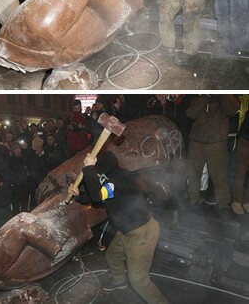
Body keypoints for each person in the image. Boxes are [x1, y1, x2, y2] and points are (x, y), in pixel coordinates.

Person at [68, 151, 168, 303]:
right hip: (126, 230)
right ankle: (119, 282)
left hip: (142, 233)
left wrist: (88, 168)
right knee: (113, 256)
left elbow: (98, 195)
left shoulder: (121, 177)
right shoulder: (109, 178)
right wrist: (78, 195)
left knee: (139, 280)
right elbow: (97, 197)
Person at [185, 95, 239, 211]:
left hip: (217, 143)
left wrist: (222, 93)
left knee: (219, 176)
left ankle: (223, 205)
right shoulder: (199, 96)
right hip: (196, 141)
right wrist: (206, 96)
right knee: (193, 173)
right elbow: (191, 113)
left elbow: (231, 110)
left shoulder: (226, 97)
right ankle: (193, 198)